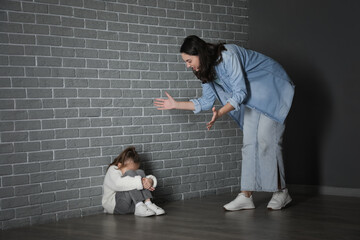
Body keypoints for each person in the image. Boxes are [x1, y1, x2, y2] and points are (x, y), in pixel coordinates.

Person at [154, 35, 295, 211]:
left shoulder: (227, 55)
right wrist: (176, 105)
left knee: (267, 140)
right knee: (249, 143)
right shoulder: (204, 71)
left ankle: (282, 192)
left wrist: (220, 112)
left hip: (271, 87)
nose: (187, 65)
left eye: (189, 60)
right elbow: (206, 102)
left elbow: (240, 92)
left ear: (200, 54)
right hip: (253, 98)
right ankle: (246, 195)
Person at [102, 146, 165, 217]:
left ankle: (148, 203)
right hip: (116, 206)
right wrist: (141, 181)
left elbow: (140, 179)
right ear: (119, 165)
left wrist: (150, 181)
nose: (133, 173)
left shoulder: (126, 170)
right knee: (131, 176)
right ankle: (139, 204)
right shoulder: (113, 170)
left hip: (132, 205)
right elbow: (118, 184)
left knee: (139, 172)